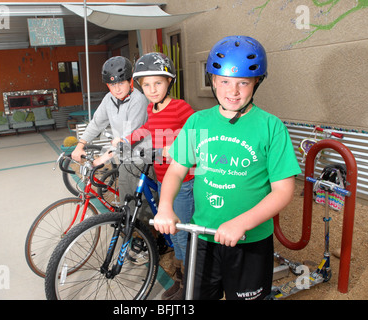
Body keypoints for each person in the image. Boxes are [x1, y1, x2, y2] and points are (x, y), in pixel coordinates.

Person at [153, 36, 301, 300]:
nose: (233, 91)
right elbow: (176, 170)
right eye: (224, 82)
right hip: (204, 239)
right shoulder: (198, 122)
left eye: (243, 82)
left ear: (257, 82)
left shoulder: (271, 127)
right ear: (212, 81)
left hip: (251, 241)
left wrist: (242, 222)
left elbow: (283, 191)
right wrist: (165, 206)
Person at [128, 52, 195, 300]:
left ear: (169, 83)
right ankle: (181, 278)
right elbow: (149, 128)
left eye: (158, 83)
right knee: (173, 232)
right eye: (146, 85)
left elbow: (196, 134)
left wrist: (174, 145)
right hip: (161, 178)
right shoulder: (151, 108)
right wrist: (126, 140)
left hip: (183, 183)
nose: (152, 89)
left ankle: (191, 286)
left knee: (181, 233)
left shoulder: (180, 107)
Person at [71, 56, 149, 219]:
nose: (117, 89)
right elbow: (96, 123)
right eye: (113, 84)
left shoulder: (138, 100)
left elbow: (127, 138)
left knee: (141, 204)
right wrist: (81, 144)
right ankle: (132, 232)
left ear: (130, 81)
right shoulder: (109, 99)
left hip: (141, 158)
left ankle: (146, 237)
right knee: (126, 200)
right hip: (124, 157)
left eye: (121, 83)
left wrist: (102, 159)